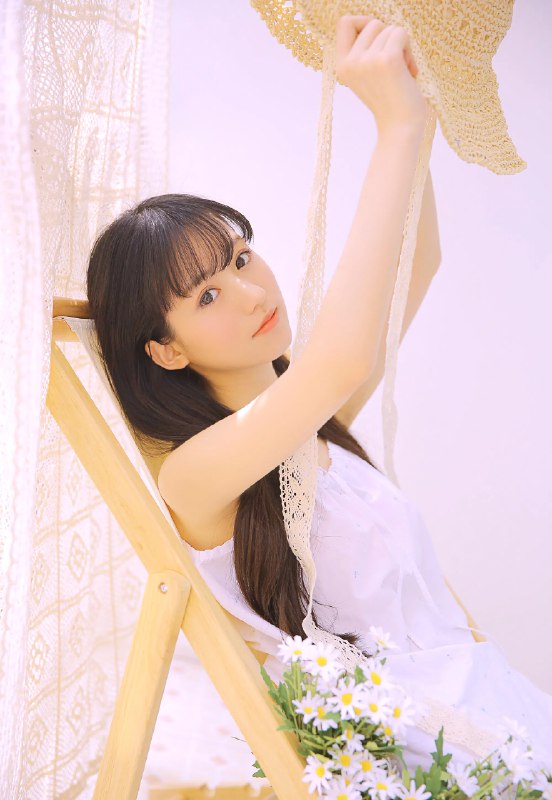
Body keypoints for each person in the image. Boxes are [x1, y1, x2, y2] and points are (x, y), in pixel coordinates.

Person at [86, 15, 552, 774]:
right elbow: (337, 362)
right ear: (166, 350)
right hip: (423, 757)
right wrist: (395, 127)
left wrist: (416, 107)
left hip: (496, 710)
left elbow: (419, 260)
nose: (249, 291)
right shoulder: (194, 479)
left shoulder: (316, 426)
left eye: (241, 257)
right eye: (207, 295)